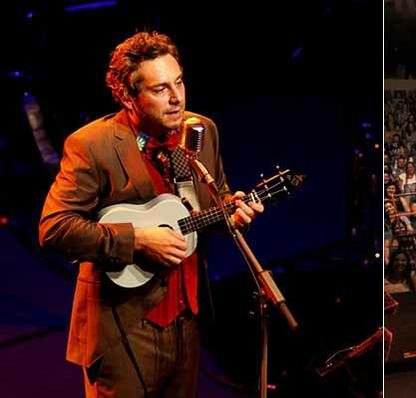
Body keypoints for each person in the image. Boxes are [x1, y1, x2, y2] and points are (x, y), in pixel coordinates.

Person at [38, 31, 264, 397]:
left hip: (186, 323)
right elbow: (54, 229)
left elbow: (214, 200)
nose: (177, 99)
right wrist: (137, 240)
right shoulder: (92, 146)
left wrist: (233, 217)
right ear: (128, 96)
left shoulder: (201, 130)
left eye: (179, 82)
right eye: (160, 89)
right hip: (122, 327)